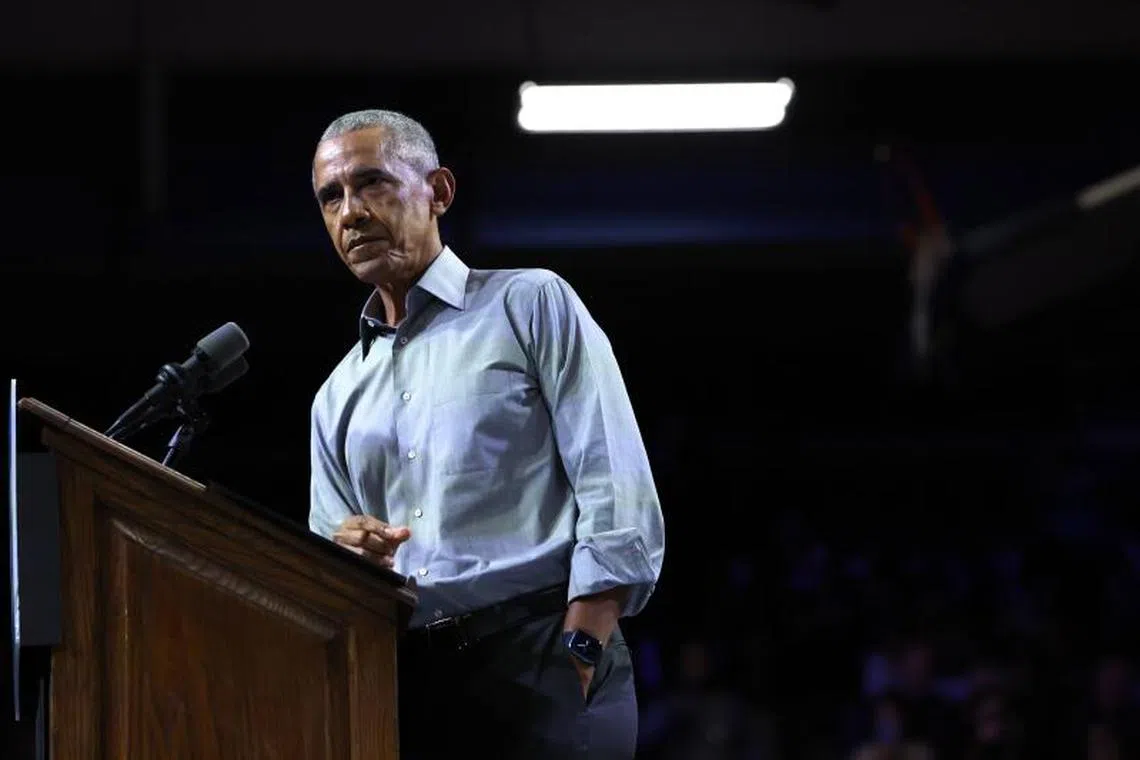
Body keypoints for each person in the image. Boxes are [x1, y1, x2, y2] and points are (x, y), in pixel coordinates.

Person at [307, 109, 666, 759]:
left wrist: (580, 652)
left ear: (438, 191)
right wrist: (344, 557)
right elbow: (324, 570)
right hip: (411, 683)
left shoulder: (530, 305)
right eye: (331, 196)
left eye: (373, 184)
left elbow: (616, 488)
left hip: (544, 658)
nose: (351, 211)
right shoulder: (335, 397)